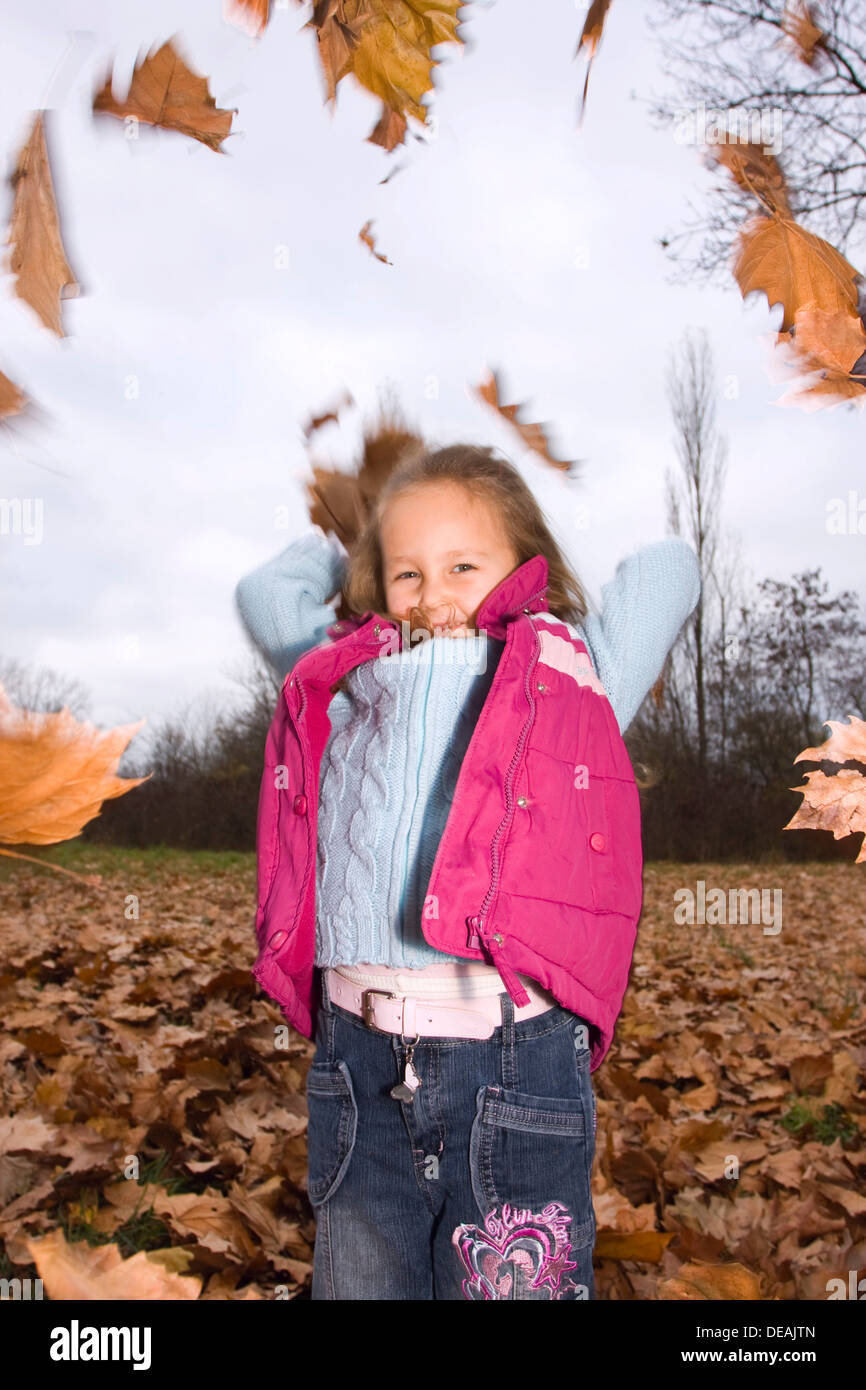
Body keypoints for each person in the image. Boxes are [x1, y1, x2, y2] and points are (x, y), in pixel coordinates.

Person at [234, 442, 701, 1300]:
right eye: (407, 573)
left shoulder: (566, 674)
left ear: (522, 570)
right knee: (360, 1280)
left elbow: (671, 569)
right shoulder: (349, 679)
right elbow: (264, 596)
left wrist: (546, 599)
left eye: (462, 565)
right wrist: (347, 538)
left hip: (514, 1062)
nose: (435, 594)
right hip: (359, 1063)